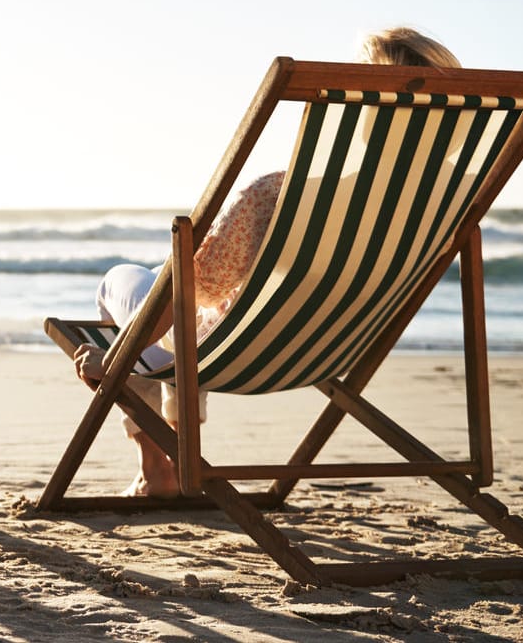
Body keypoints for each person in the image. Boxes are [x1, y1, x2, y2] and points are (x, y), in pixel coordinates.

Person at [74, 27, 462, 496]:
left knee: (125, 281)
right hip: (328, 349)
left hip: (223, 352)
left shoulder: (281, 196)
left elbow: (202, 289)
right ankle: (169, 460)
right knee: (165, 283)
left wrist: (112, 360)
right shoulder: (451, 205)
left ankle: (158, 467)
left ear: (362, 111)